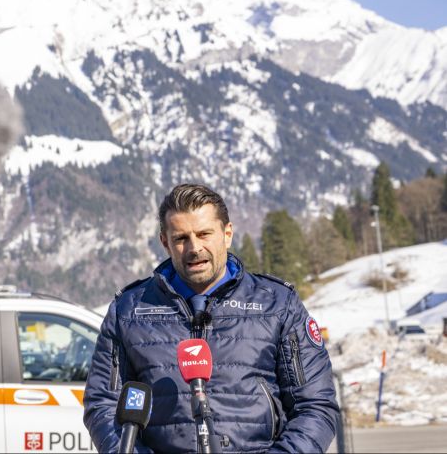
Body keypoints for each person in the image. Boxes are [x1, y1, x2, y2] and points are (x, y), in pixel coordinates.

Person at [83, 184, 339, 453]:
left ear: (227, 234)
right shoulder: (128, 311)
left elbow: (315, 406)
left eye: (204, 234)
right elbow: (103, 405)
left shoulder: (278, 304)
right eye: (181, 238)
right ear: (165, 242)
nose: (194, 248)